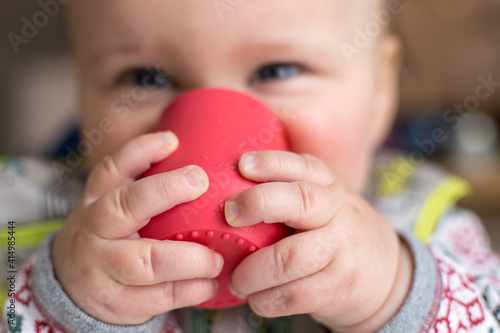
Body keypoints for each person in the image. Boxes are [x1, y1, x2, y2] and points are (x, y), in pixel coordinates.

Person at [2, 0, 500, 332]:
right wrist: (62, 298)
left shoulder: (423, 222)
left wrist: (393, 293)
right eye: (147, 76)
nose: (216, 118)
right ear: (83, 92)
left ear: (378, 93)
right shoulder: (21, 214)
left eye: (277, 71)